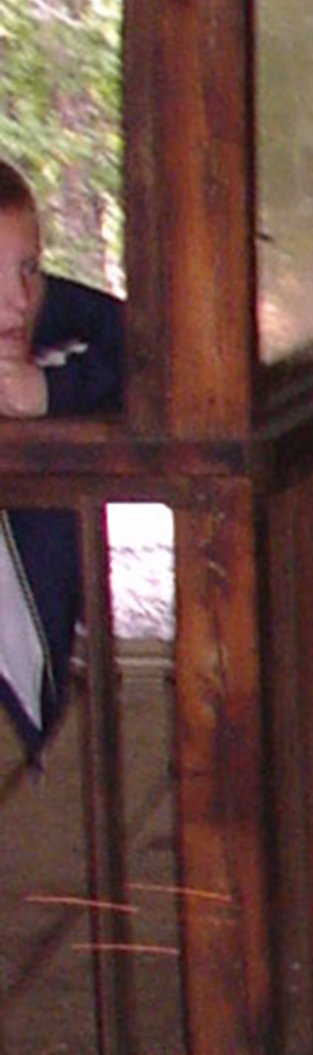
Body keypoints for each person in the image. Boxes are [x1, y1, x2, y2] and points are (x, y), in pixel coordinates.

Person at [0, 158, 128, 763]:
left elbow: (146, 345)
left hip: (26, 642)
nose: (17, 299)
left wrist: (52, 393)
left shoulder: (49, 320)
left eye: (28, 269)